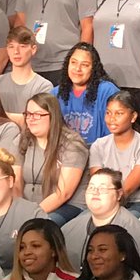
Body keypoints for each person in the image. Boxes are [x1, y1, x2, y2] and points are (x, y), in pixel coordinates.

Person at [63, 169, 140, 275]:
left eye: (102, 188)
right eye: (91, 187)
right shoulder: (70, 228)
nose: (95, 192)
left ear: (119, 194)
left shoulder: (133, 231)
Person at [18, 94, 89, 224]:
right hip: (31, 206)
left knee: (41, 228)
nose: (31, 119)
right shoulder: (24, 139)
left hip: (67, 206)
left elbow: (63, 193)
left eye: (37, 114)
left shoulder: (72, 143)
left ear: (52, 116)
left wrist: (32, 215)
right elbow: (16, 182)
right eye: (28, 114)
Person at [89, 91, 140, 217]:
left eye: (119, 113)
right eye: (108, 113)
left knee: (120, 221)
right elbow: (99, 181)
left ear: (133, 116)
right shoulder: (98, 145)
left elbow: (127, 189)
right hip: (106, 201)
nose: (112, 118)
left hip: (139, 202)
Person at [57, 42, 121, 145]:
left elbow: (115, 133)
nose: (77, 69)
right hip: (65, 154)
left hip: (100, 154)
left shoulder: (107, 91)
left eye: (85, 65)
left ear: (93, 69)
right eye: (73, 62)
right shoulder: (55, 93)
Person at [0, 26, 54, 120]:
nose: (16, 52)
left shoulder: (43, 86)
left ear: (33, 49)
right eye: (11, 46)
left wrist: (0, 117)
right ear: (7, 50)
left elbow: (39, 121)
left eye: (22, 46)